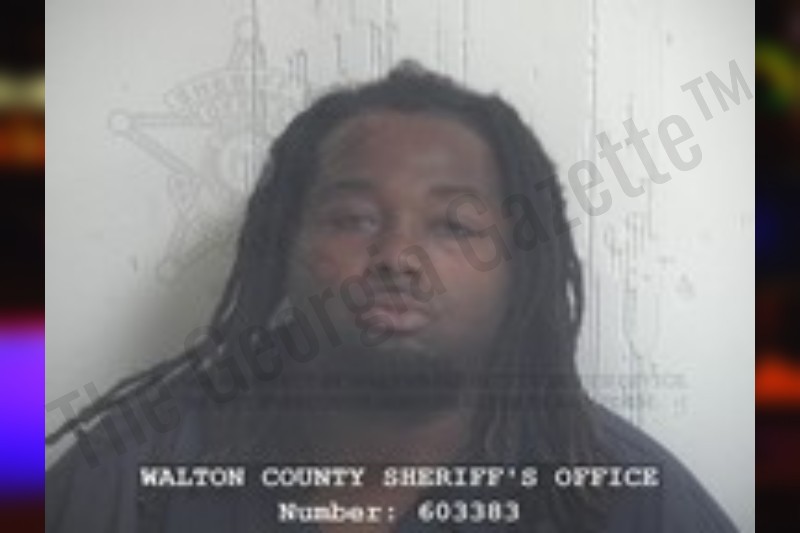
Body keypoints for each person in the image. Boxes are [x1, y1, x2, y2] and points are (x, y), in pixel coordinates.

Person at [46, 61, 737, 532]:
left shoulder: (615, 495)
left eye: (454, 225)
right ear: (283, 247)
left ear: (520, 270)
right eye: (353, 219)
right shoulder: (140, 474)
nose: (398, 258)